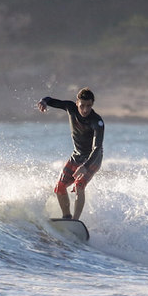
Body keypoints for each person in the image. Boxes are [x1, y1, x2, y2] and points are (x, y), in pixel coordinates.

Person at [36, 88, 104, 220]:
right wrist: (43, 101)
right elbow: (50, 100)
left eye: (89, 106)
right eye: (82, 105)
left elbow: (97, 147)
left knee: (79, 186)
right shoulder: (70, 107)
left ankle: (75, 221)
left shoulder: (97, 121)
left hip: (93, 159)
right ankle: (67, 217)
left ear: (92, 104)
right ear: (77, 102)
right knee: (59, 187)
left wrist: (85, 166)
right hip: (76, 155)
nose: (85, 110)